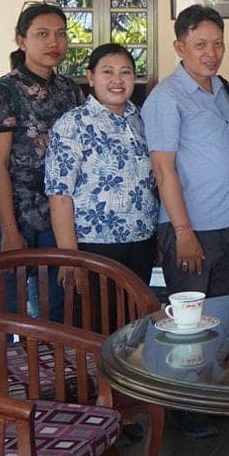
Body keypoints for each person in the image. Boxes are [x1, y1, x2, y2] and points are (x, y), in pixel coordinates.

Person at [0, 2, 83, 319]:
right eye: (42, 34)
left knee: (56, 311)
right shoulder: (2, 93)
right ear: (22, 41)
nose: (54, 43)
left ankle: (50, 371)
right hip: (8, 218)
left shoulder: (70, 92)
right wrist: (9, 230)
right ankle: (2, 370)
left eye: (61, 34)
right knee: (5, 315)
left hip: (55, 219)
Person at [144, 5, 229, 299]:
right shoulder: (166, 97)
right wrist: (183, 232)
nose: (212, 53)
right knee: (191, 323)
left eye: (218, 43)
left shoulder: (224, 89)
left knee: (227, 313)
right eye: (200, 45)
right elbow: (163, 171)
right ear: (180, 47)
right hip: (194, 228)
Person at [46, 43, 158, 286]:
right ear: (91, 77)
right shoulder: (73, 124)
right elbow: (59, 195)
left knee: (137, 318)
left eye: (125, 72)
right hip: (94, 245)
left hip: (142, 239)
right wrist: (70, 256)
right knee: (96, 321)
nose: (117, 79)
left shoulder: (141, 119)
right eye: (107, 71)